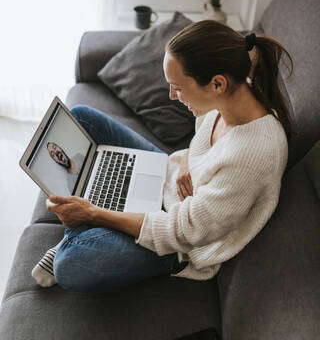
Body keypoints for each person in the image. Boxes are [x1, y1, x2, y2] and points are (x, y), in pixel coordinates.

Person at [31, 19, 293, 292]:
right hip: (168, 182)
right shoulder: (235, 92)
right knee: (82, 118)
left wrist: (95, 214)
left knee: (69, 265)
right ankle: (99, 209)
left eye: (178, 87)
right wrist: (188, 161)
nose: (172, 95)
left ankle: (82, 226)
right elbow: (206, 143)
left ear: (217, 84)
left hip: (179, 242)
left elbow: (183, 232)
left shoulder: (252, 155)